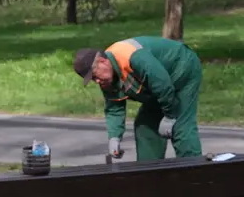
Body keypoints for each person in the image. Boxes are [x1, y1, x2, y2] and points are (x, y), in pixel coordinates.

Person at [72, 36, 203, 161]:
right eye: (93, 79)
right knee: (145, 126)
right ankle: (149, 174)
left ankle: (193, 173)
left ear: (103, 61)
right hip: (158, 86)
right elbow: (114, 108)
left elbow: (161, 84)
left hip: (181, 68)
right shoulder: (107, 77)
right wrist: (114, 137)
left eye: (95, 76)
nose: (97, 81)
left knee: (180, 125)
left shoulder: (133, 57)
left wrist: (169, 115)